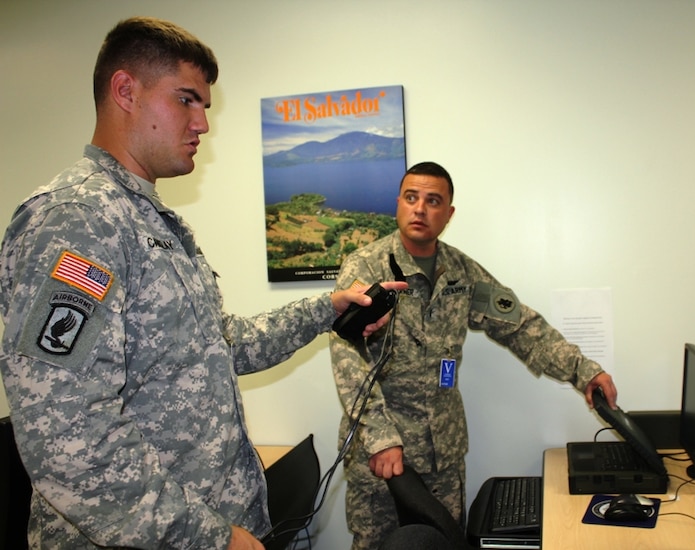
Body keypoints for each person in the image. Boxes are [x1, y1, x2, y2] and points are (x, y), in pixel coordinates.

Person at [0, 16, 405, 550]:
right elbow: (68, 434)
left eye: (205, 107)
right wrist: (210, 537)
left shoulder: (152, 221)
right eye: (186, 100)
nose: (202, 124)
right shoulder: (79, 220)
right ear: (126, 91)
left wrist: (327, 309)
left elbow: (218, 342)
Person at [330, 161, 618, 549]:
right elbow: (348, 356)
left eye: (433, 201)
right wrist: (381, 438)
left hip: (443, 455)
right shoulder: (366, 268)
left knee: (446, 544)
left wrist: (584, 371)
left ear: (448, 215)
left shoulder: (462, 272)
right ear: (397, 203)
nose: (420, 209)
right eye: (412, 198)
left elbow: (521, 325)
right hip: (382, 459)